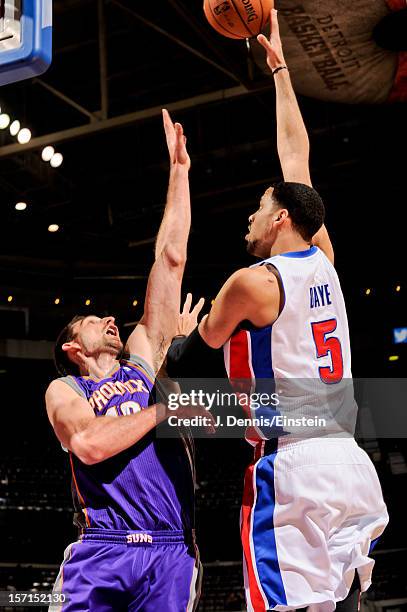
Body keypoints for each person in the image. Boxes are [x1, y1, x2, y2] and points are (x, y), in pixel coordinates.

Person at [166, 10, 388, 612]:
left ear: (280, 218)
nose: (251, 217)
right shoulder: (324, 258)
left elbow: (197, 351)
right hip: (349, 460)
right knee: (345, 606)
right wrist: (281, 69)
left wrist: (180, 340)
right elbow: (299, 163)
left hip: (293, 466)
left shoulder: (252, 282)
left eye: (259, 208)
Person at [45, 110, 207, 611]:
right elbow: (90, 445)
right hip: (100, 549)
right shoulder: (66, 391)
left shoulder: (140, 361)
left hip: (170, 548)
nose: (108, 320)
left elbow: (170, 259)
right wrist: (162, 412)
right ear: (74, 349)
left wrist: (179, 174)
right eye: (92, 320)